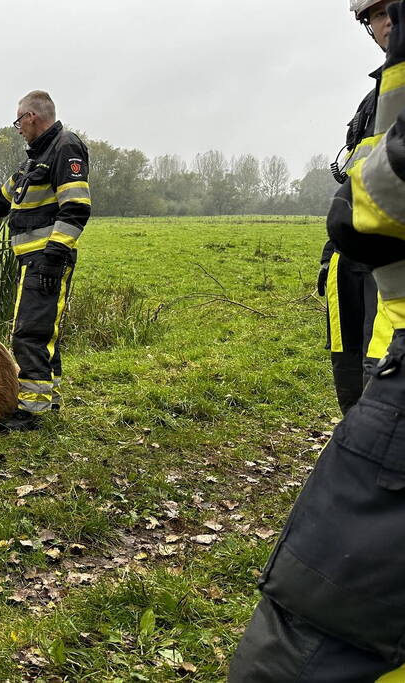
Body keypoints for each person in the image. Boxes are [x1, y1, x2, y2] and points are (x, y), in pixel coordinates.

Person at [229, 2, 405, 680]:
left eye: (378, 12)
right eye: (366, 20)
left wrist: (353, 206)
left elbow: (375, 195)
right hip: (375, 304)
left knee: (305, 644)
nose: (375, 27)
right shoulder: (373, 92)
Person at [0, 90, 91, 432]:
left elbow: (76, 206)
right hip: (33, 260)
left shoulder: (65, 147)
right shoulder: (34, 160)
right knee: (42, 333)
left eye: (18, 121)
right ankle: (48, 400)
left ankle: (33, 412)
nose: (17, 128)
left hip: (46, 260)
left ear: (32, 116)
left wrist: (54, 256)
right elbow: (1, 200)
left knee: (29, 333)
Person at [321, 0, 398, 415]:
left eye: (393, 9)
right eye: (376, 14)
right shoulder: (377, 98)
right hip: (357, 273)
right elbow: (359, 185)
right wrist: (331, 253)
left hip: (394, 281)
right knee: (359, 397)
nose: (387, 22)